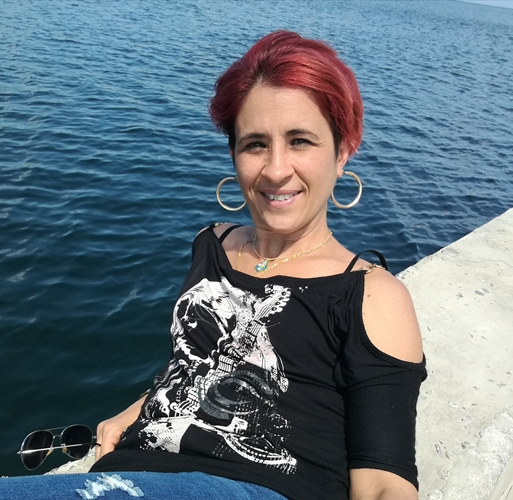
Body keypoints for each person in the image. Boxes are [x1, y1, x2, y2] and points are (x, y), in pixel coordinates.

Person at [5, 30, 426, 500]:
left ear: (342, 152)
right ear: (233, 155)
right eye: (255, 144)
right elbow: (195, 361)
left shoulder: (372, 295)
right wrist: (142, 406)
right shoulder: (213, 244)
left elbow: (386, 483)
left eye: (300, 141)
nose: (276, 169)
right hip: (132, 473)